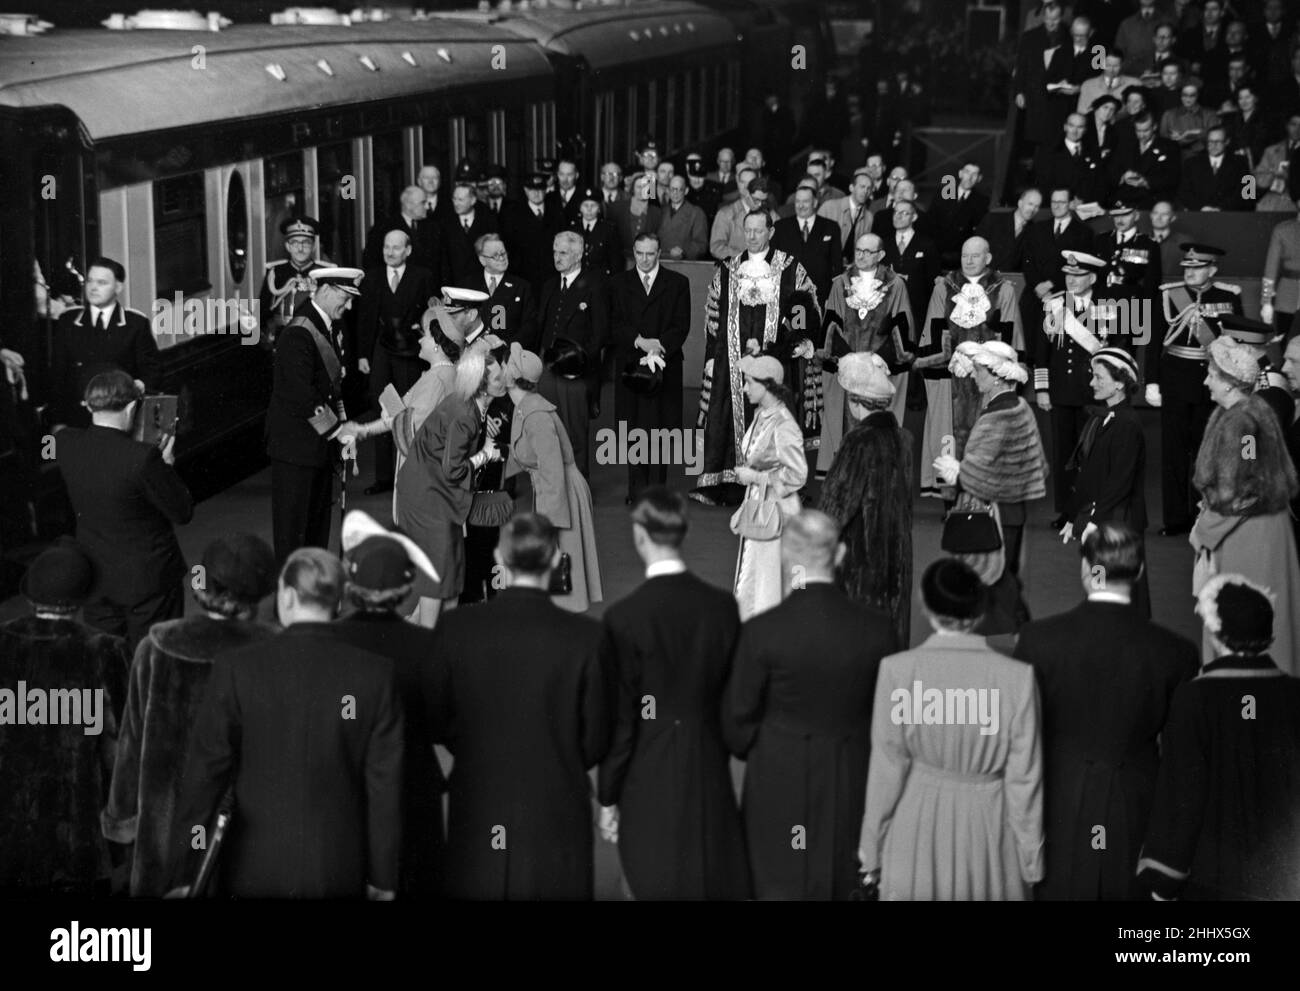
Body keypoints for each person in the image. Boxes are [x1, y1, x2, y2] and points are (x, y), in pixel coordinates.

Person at [172, 548, 403, 899]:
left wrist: (186, 871)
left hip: (253, 861)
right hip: (338, 861)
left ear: (289, 595)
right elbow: (385, 788)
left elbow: (205, 776)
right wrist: (383, 877)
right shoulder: (377, 674)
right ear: (338, 601)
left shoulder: (237, 668)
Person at [428, 514, 610, 900]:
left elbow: (438, 719)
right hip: (557, 802)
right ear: (556, 559)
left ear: (498, 557)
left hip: (479, 801)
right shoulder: (587, 637)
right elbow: (596, 737)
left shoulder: (456, 628)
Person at [1013, 524, 1198, 900]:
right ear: (1140, 572)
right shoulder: (1176, 652)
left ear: (1086, 569)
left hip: (1058, 802)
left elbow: (1022, 734)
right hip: (1136, 805)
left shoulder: (1038, 640)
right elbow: (1183, 758)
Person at [726, 509, 896, 900]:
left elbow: (736, 727)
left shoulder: (761, 632)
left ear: (787, 554)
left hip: (778, 777)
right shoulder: (877, 629)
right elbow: (888, 717)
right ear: (839, 555)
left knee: (777, 879)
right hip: (849, 777)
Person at [101, 534, 277, 897]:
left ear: (203, 587)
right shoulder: (278, 652)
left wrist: (121, 818)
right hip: (254, 832)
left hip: (165, 833)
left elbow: (132, 743)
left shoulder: (156, 647)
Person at [596, 489, 750, 900]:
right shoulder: (721, 607)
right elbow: (733, 696)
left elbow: (622, 719)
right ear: (682, 534)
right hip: (707, 764)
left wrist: (608, 795)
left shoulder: (623, 618)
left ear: (640, 536)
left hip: (646, 771)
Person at [860, 558, 1044, 901]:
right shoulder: (1017, 679)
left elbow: (886, 770)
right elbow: (1025, 780)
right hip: (989, 826)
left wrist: (871, 850)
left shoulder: (897, 672)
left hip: (916, 823)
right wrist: (1031, 859)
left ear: (924, 604)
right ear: (978, 613)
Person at [1138, 575, 1300, 900]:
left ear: (1216, 633)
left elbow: (1183, 797)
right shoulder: (1295, 694)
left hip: (1214, 876)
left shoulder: (1193, 698)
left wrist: (1164, 880)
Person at [0, 541, 128, 895]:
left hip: (11, 830)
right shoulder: (103, 649)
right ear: (84, 597)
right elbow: (120, 742)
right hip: (80, 831)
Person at [330, 511, 445, 896]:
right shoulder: (427, 647)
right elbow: (445, 724)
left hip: (342, 792)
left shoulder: (327, 641)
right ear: (404, 588)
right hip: (412, 790)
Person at [56, 370, 193, 651]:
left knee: (108, 666)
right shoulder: (143, 458)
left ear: (89, 406)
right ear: (132, 407)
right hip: (149, 583)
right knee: (151, 665)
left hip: (95, 580)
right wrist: (166, 467)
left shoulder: (66, 444)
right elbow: (182, 511)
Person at [694, 211, 820, 506]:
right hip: (731, 361)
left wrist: (795, 343)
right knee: (728, 413)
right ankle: (731, 481)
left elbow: (806, 311)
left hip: (775, 361)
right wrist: (713, 355)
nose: (751, 236)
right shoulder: (727, 268)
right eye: (747, 230)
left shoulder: (790, 268)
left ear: (770, 232)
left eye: (757, 231)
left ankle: (775, 481)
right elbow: (713, 315)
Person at [1190, 336, 1300, 672]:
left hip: (1249, 534)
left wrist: (1204, 528)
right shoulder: (1247, 412)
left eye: (1211, 374)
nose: (1206, 380)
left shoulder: (1244, 424)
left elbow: (1248, 482)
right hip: (1258, 527)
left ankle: (1241, 690)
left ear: (1229, 382)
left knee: (1240, 615)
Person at [933, 341, 1048, 634]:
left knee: (995, 582)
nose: (973, 376)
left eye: (979, 370)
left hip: (994, 516)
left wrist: (957, 472)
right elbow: (1037, 467)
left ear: (996, 374)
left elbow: (980, 472)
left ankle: (1005, 640)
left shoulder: (998, 414)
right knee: (1006, 578)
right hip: (1012, 512)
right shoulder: (1019, 407)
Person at [394, 337, 506, 628]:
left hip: (434, 492)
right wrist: (484, 455)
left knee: (453, 567)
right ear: (482, 385)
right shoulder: (466, 415)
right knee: (439, 570)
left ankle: (421, 626)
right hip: (428, 496)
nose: (504, 378)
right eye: (497, 376)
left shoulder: (468, 403)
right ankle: (426, 637)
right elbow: (452, 470)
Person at [265, 267, 365, 562]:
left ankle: (314, 593)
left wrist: (341, 428)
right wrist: (337, 431)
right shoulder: (298, 333)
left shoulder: (327, 327)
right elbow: (301, 394)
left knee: (316, 529)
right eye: (345, 299)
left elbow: (334, 390)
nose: (347, 307)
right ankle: (293, 601)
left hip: (317, 446)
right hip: (296, 448)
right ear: (326, 290)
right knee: (294, 535)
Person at [915, 237, 1025, 498]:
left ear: (987, 258)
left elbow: (1010, 336)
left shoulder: (1003, 290)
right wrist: (952, 360)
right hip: (950, 376)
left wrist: (984, 364)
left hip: (986, 379)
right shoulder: (944, 288)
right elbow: (932, 331)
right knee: (947, 436)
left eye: (975, 256)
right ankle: (950, 498)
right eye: (965, 255)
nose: (969, 260)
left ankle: (982, 495)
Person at [1146, 243, 1243, 536]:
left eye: (1197, 268)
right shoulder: (1168, 294)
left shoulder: (1228, 296)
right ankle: (1175, 519)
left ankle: (1205, 515)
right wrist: (1152, 381)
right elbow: (1153, 343)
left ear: (1212, 269)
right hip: (1175, 381)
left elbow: (1236, 343)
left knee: (1208, 451)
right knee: (1174, 454)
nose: (1189, 273)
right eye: (1187, 268)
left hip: (1213, 384)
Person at [818, 353, 913, 649]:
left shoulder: (857, 441)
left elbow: (835, 508)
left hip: (860, 559)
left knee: (857, 642)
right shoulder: (904, 438)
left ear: (854, 400)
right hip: (898, 553)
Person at [502, 344, 602, 612]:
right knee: (561, 578)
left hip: (561, 494)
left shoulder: (535, 415)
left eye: (503, 365)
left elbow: (552, 472)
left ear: (511, 377)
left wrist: (547, 525)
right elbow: (525, 456)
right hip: (553, 490)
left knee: (564, 574)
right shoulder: (526, 406)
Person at [1059, 347, 1151, 614]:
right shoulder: (1108, 418)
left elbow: (1119, 482)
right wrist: (1072, 514)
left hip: (1117, 524)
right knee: (1102, 584)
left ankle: (1124, 636)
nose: (1091, 383)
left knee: (1117, 584)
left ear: (1120, 383)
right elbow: (1090, 474)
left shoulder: (1127, 425)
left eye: (1099, 378)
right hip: (1106, 519)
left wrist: (1092, 522)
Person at [1036, 251, 1120, 526]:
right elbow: (1042, 352)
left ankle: (1092, 509)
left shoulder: (1111, 306)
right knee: (1063, 455)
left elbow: (1119, 352)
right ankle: (1067, 512)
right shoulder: (1054, 305)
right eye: (1069, 275)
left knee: (1093, 453)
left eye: (1078, 275)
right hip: (1061, 392)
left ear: (1092, 278)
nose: (1072, 280)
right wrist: (1042, 389)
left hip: (1093, 393)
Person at [607, 233, 692, 502]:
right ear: (633, 252)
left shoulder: (678, 283)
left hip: (666, 365)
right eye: (640, 253)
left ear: (659, 253)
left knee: (661, 429)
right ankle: (636, 490)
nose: (644, 259)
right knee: (634, 428)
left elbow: (682, 325)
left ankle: (657, 490)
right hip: (631, 367)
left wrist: (658, 346)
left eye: (650, 254)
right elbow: (614, 323)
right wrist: (639, 342)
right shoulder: (618, 284)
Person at [817, 234, 913, 466]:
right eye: (858, 250)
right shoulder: (841, 282)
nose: (860, 255)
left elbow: (903, 324)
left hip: (879, 368)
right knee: (844, 427)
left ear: (880, 255)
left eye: (867, 251)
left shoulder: (895, 284)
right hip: (847, 366)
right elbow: (831, 322)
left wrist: (878, 358)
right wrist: (848, 357)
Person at [356, 229, 436, 496]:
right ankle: (383, 477)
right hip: (380, 351)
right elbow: (365, 318)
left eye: (396, 247)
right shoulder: (372, 277)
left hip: (410, 351)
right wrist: (363, 355)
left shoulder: (422, 276)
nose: (390, 252)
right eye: (386, 247)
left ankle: (412, 473)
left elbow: (432, 314)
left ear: (408, 250)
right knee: (383, 407)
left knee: (409, 409)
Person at [728, 355, 808, 619]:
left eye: (750, 382)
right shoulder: (762, 416)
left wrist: (756, 478)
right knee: (757, 576)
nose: (744, 388)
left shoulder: (784, 425)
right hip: (761, 506)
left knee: (771, 581)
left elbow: (798, 475)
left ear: (767, 385)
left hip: (778, 512)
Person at [48, 256, 160, 430]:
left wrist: (140, 385)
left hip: (120, 423)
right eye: (90, 281)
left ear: (118, 287)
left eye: (102, 282)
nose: (93, 288)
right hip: (77, 422)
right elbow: (57, 377)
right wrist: (57, 422)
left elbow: (152, 372)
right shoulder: (67, 321)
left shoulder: (135, 324)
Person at [536, 231, 608, 478]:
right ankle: (552, 480)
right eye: (555, 251)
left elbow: (600, 334)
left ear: (578, 256)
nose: (557, 257)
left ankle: (578, 486)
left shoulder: (595, 285)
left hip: (577, 372)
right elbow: (541, 326)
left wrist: (577, 363)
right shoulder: (548, 285)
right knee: (548, 428)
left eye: (563, 253)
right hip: (547, 369)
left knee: (575, 432)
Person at [258, 217, 328, 350]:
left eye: (306, 243)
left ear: (313, 246)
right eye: (295, 243)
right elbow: (263, 309)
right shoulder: (276, 273)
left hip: (315, 340)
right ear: (287, 246)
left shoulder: (324, 273)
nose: (300, 248)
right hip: (282, 340)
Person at [570, 186, 623, 277]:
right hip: (577, 282)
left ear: (599, 208)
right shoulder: (573, 229)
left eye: (593, 205)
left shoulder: (609, 229)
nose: (589, 209)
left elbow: (615, 262)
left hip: (601, 281)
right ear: (580, 208)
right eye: (585, 205)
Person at [657, 174, 708, 261]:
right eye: (672, 189)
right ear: (668, 191)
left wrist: (683, 252)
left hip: (683, 264)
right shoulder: (661, 211)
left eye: (680, 190)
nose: (675, 193)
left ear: (686, 191)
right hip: (661, 261)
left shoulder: (696, 213)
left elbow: (701, 245)